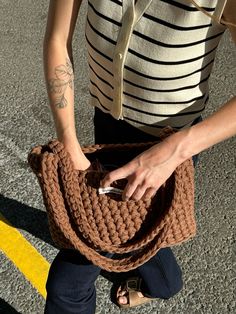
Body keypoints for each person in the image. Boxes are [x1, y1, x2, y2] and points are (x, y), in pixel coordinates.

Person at [43, 0, 236, 313]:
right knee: (135, 228)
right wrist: (69, 144)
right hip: (105, 130)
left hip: (168, 149)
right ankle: (162, 283)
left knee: (68, 285)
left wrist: (174, 152)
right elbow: (56, 39)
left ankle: (161, 282)